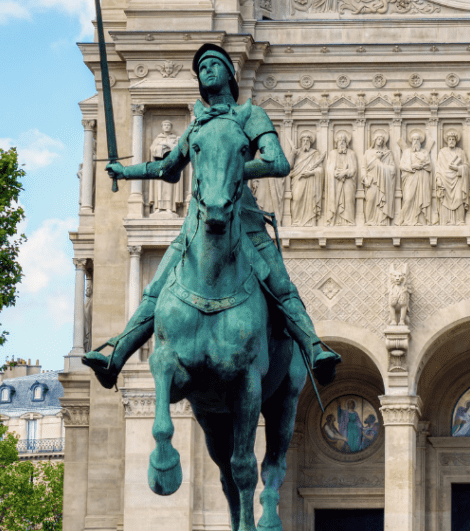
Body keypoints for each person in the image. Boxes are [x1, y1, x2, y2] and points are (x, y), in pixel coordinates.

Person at [82, 44, 339, 389]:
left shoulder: (250, 115)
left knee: (280, 285)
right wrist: (126, 172)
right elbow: (168, 169)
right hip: (197, 225)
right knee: (156, 287)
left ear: (230, 76)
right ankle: (117, 352)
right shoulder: (197, 125)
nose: (207, 70)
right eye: (202, 67)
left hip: (243, 219)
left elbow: (278, 162)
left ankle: (313, 346)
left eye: (215, 64)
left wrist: (228, 170)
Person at [398, 130, 434, 225]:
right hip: (410, 177)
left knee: (420, 199)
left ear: (420, 141)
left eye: (418, 139)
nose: (416, 141)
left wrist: (422, 164)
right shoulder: (406, 152)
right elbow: (401, 166)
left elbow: (429, 166)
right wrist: (413, 167)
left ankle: (418, 220)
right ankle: (405, 220)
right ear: (411, 141)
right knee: (408, 198)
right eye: (414, 139)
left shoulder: (424, 152)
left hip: (422, 178)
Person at [149, 120, 184, 216]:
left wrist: (171, 146)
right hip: (160, 165)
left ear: (171, 127)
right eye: (165, 125)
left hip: (171, 166)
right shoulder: (158, 139)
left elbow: (180, 151)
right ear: (162, 127)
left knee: (170, 186)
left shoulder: (175, 138)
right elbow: (152, 150)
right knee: (159, 186)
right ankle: (158, 207)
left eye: (168, 125)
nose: (166, 126)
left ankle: (170, 207)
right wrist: (161, 146)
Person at [290, 133, 324, 226]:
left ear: (310, 142)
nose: (305, 142)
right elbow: (290, 166)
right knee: (296, 199)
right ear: (301, 142)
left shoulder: (315, 153)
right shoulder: (296, 152)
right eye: (303, 141)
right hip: (298, 180)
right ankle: (296, 221)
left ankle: (309, 221)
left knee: (310, 200)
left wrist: (311, 173)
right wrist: (292, 154)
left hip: (310, 181)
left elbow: (320, 169)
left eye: (307, 141)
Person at [363, 131, 397, 225]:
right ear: (374, 140)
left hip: (384, 182)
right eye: (378, 139)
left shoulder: (388, 153)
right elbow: (363, 168)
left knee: (382, 200)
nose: (380, 141)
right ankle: (369, 220)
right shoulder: (368, 153)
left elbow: (392, 169)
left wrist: (379, 161)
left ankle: (382, 220)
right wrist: (365, 178)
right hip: (371, 180)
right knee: (370, 199)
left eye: (382, 140)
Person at [435, 129, 467, 224]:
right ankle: (445, 220)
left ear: (456, 141)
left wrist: (458, 168)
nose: (451, 141)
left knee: (458, 198)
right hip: (445, 180)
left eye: (453, 139)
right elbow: (438, 168)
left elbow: (466, 166)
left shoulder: (461, 152)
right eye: (449, 139)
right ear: (447, 141)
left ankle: (459, 220)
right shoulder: (442, 152)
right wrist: (438, 178)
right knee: (445, 199)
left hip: (458, 179)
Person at [325, 130, 357, 226]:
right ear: (336, 143)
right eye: (339, 141)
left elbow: (353, 169)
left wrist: (344, 173)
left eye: (343, 141)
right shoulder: (332, 154)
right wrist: (334, 173)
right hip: (335, 182)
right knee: (335, 200)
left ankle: (348, 221)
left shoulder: (351, 154)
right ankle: (335, 220)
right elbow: (328, 169)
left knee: (348, 200)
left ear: (347, 143)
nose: (341, 142)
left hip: (347, 181)